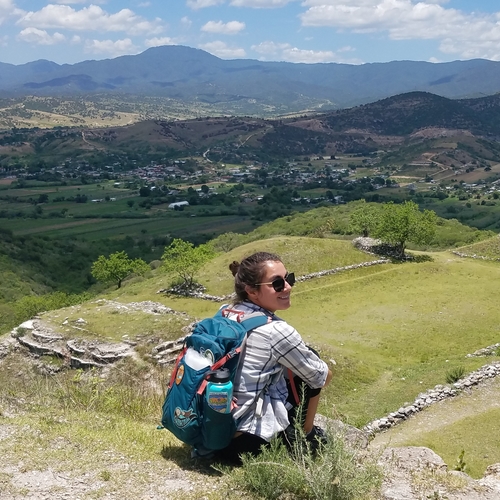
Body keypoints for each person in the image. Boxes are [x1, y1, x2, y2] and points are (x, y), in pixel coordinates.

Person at [215, 251, 333, 464]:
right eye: (277, 283)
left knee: (296, 365)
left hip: (217, 432)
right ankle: (303, 438)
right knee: (311, 362)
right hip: (247, 445)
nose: (287, 287)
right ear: (251, 290)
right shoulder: (277, 331)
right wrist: (322, 369)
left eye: (289, 279)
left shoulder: (226, 312)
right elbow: (320, 378)